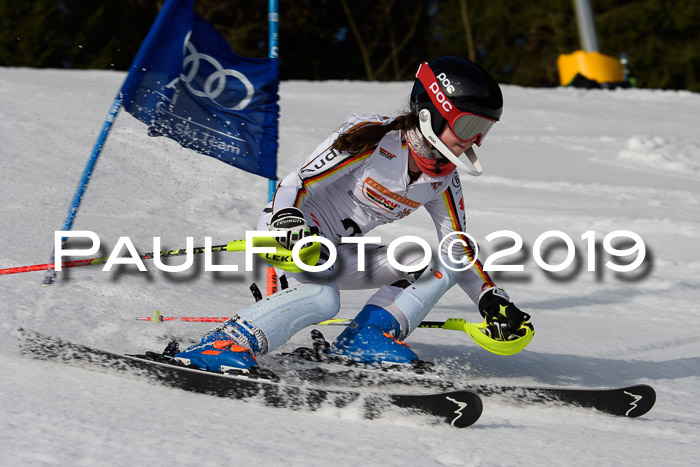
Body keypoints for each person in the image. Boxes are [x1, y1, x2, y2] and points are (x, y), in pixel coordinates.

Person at [174, 56, 533, 372]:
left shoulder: (443, 177)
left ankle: (366, 338)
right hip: (290, 232)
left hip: (337, 254)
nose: (475, 141)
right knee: (323, 299)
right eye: (469, 126)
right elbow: (296, 182)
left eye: (484, 130)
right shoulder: (373, 138)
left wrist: (491, 298)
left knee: (433, 259)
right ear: (431, 114)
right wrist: (288, 220)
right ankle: (222, 345)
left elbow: (458, 248)